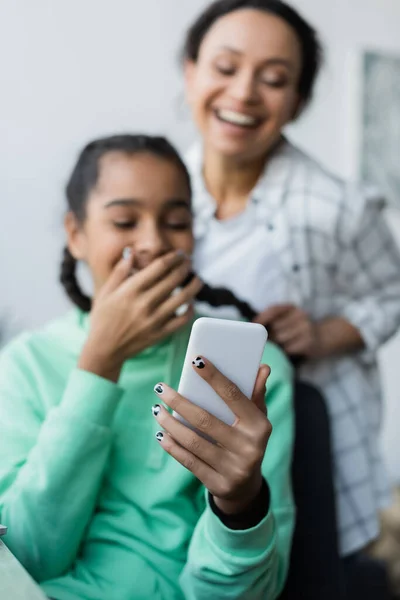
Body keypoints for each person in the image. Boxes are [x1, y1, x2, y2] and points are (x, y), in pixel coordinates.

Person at [0, 134, 294, 600]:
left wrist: (240, 505)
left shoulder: (252, 372)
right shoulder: (24, 365)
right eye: (124, 220)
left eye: (176, 222)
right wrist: (99, 364)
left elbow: (247, 593)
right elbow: (26, 560)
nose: (154, 242)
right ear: (75, 234)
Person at [182, 0, 400, 571]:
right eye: (226, 68)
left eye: (274, 79)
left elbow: (391, 294)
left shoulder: (339, 206)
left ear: (298, 100)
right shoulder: (159, 195)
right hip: (183, 442)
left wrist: (325, 334)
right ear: (190, 71)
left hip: (304, 443)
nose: (245, 93)